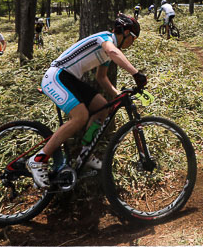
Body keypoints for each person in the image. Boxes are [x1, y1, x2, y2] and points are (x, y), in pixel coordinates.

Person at [27, 13, 146, 188]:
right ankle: (39, 159)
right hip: (57, 76)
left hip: (71, 80)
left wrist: (118, 95)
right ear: (126, 32)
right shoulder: (105, 39)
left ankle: (85, 153)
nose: (132, 43)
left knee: (102, 108)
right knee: (80, 116)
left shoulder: (107, 51)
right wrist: (136, 73)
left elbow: (101, 77)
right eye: (133, 38)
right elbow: (113, 51)